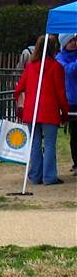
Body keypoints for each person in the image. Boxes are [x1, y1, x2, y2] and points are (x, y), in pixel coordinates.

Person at [14, 35, 69, 185]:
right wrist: (65, 111)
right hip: (49, 111)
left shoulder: (30, 67)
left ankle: (35, 175)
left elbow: (18, 89)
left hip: (31, 110)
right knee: (50, 144)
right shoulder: (56, 67)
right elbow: (60, 92)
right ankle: (49, 177)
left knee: (35, 144)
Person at [56, 33, 77, 176]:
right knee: (75, 135)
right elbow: (69, 71)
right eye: (71, 41)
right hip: (71, 101)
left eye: (75, 40)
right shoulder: (60, 58)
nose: (74, 43)